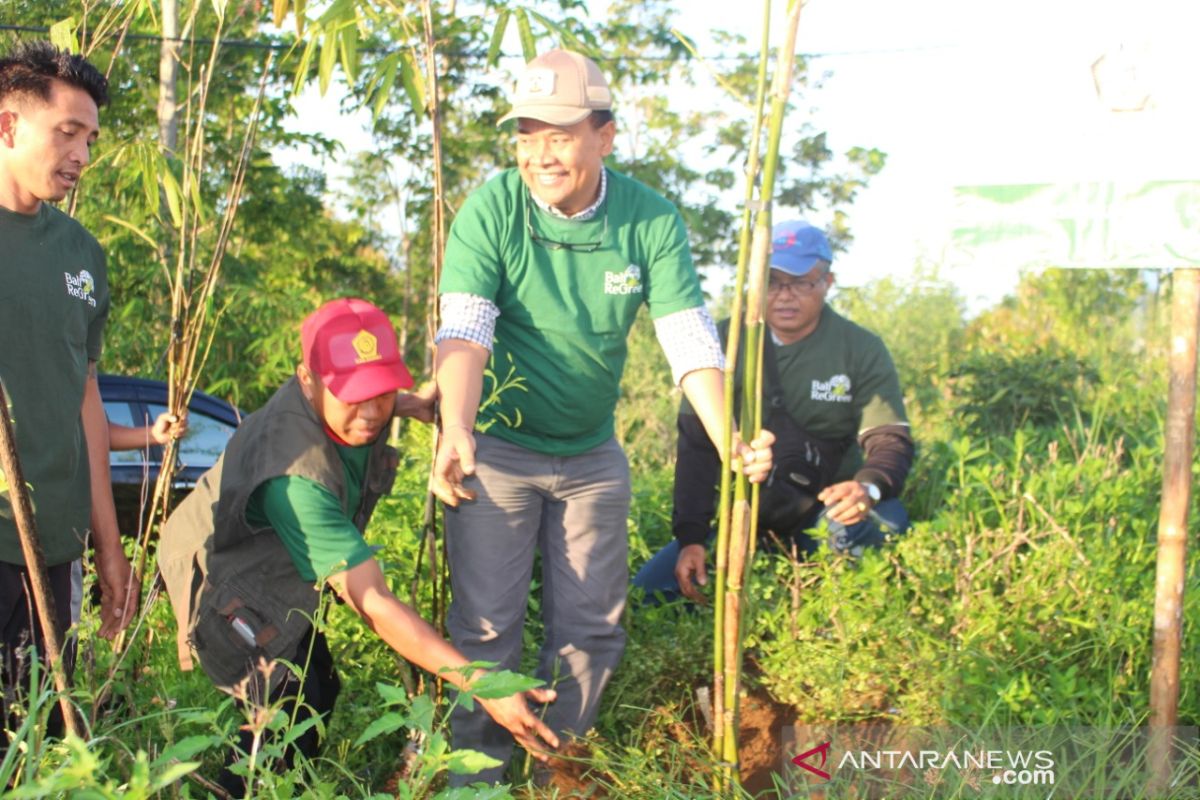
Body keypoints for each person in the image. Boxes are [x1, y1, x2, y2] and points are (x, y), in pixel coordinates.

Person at [430, 48, 773, 783]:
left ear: (604, 137)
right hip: (496, 452)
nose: (540, 153)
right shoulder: (493, 208)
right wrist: (457, 425)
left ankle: (552, 770)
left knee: (592, 634)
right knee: (486, 636)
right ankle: (475, 784)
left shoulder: (649, 219)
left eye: (559, 134)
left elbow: (688, 340)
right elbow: (464, 328)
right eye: (527, 135)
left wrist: (731, 441)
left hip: (591, 459)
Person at [158, 299, 559, 794]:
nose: (371, 414)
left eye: (382, 392)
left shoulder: (335, 400)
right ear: (308, 379)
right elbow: (375, 603)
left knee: (318, 690)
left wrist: (407, 403)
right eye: (354, 395)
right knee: (284, 712)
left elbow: (367, 399)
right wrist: (483, 685)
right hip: (223, 572)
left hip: (273, 559)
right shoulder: (294, 480)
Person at [633, 220, 915, 604]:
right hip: (745, 516)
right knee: (650, 594)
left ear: (827, 282)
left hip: (822, 509)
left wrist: (865, 487)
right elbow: (696, 448)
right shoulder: (722, 342)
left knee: (882, 524)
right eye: (772, 282)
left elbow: (889, 438)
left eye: (801, 283)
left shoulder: (860, 347)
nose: (785, 296)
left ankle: (819, 608)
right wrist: (691, 538)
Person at [0, 41, 135, 735]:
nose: (82, 153)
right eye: (67, 132)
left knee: (42, 738)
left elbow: (86, 399)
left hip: (53, 548)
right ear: (7, 125)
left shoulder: (82, 254)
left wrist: (106, 545)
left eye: (90, 138)